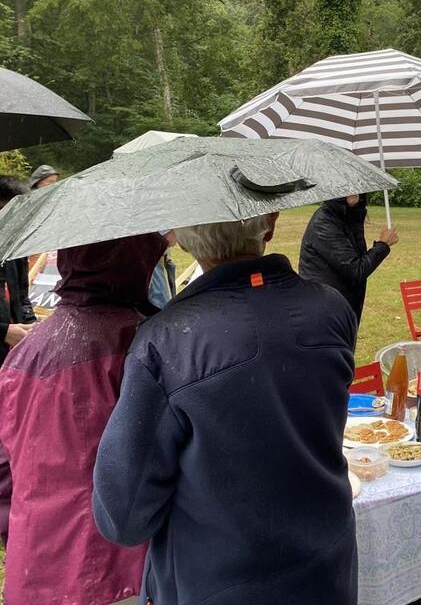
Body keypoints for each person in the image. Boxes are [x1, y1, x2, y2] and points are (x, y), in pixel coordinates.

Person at [93, 214, 359, 605]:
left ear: (182, 241)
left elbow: (123, 517)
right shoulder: (332, 308)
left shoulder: (164, 341)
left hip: (217, 581)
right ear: (270, 223)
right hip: (327, 568)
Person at [0, 233, 166, 605]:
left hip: (36, 560)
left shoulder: (27, 349)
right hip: (121, 567)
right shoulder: (144, 342)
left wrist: (21, 530)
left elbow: (3, 467)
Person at [299, 193, 398, 323]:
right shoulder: (324, 222)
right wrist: (383, 245)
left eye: (357, 185)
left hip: (343, 304)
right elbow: (355, 269)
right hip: (325, 310)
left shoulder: (349, 216)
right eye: (347, 188)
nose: (353, 191)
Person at [0, 177, 36, 358]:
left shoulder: (15, 248)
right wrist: (4, 332)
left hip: (12, 355)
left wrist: (32, 325)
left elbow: (22, 297)